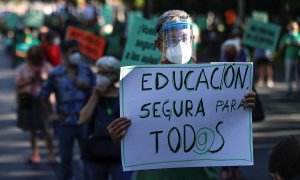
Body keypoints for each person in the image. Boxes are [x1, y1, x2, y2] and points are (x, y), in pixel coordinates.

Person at [107, 10, 256, 180]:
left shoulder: (216, 82)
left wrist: (244, 107)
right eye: (171, 38)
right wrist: (117, 136)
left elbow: (230, 127)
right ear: (158, 44)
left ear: (193, 40)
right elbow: (126, 137)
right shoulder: (136, 85)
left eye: (184, 37)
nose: (179, 43)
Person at [40, 40, 95, 180]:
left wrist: (87, 87)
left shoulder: (86, 70)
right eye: (72, 52)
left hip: (84, 121)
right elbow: (43, 95)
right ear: (64, 53)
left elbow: (97, 92)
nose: (76, 55)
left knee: (88, 158)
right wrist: (50, 114)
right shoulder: (56, 73)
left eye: (77, 51)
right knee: (65, 159)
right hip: (64, 122)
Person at [79, 56, 132, 180]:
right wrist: (96, 94)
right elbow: (82, 119)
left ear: (115, 75)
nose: (101, 76)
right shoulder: (92, 94)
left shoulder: (125, 95)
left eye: (105, 73)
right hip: (94, 154)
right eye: (99, 72)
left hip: (119, 155)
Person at [15, 45, 55, 164]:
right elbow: (18, 84)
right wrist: (30, 79)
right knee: (32, 130)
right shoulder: (22, 68)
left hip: (44, 101)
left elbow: (54, 82)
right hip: (29, 100)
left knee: (47, 129)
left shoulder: (46, 66)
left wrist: (42, 79)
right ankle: (35, 154)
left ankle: (51, 153)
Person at [279, 21, 300, 95]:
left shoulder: (299, 35)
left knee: (298, 73)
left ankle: (298, 88)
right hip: (288, 57)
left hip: (297, 58)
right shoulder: (286, 36)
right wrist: (285, 44)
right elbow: (280, 47)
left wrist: (294, 43)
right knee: (288, 73)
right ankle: (288, 87)